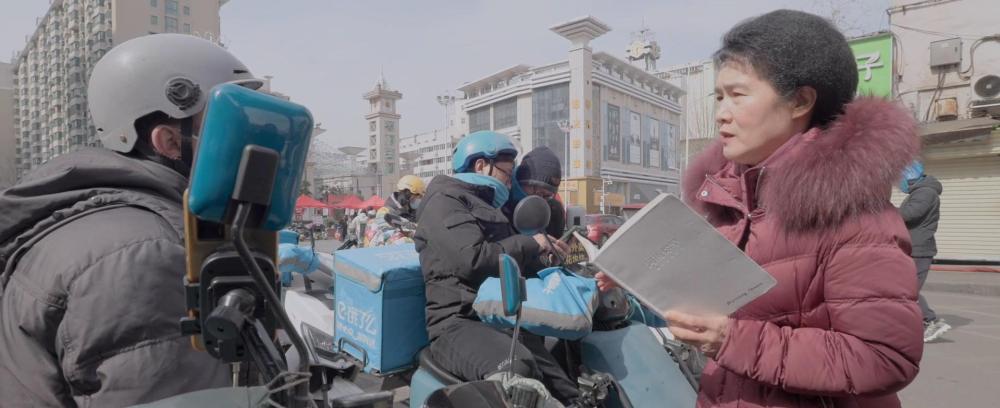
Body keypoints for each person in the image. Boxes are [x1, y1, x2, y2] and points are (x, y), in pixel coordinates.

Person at [639, 10, 924, 408]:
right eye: (718, 97)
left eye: (737, 95)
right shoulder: (731, 202)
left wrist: (731, 340)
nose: (721, 113)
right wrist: (640, 277)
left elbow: (884, 357)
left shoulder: (854, 215)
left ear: (800, 101)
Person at [0, 34, 262, 406]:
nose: (248, 137)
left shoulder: (85, 220)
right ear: (170, 142)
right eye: (229, 123)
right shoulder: (147, 254)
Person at [413, 131, 576, 404]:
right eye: (507, 173)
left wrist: (547, 258)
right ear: (481, 165)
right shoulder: (445, 201)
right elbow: (473, 260)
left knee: (564, 382)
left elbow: (511, 258)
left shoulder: (486, 204)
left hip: (498, 316)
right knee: (517, 369)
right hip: (458, 323)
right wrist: (530, 243)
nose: (510, 181)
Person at [899, 161, 950, 342]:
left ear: (910, 176)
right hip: (915, 248)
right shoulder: (920, 192)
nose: (899, 183)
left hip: (919, 250)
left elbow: (908, 214)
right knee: (905, 288)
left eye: (900, 178)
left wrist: (885, 212)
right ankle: (918, 323)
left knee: (908, 290)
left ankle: (930, 321)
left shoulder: (925, 193)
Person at [505, 146, 565, 238]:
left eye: (547, 196)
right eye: (538, 193)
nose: (540, 200)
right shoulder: (500, 202)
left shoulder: (553, 210)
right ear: (521, 183)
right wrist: (530, 243)